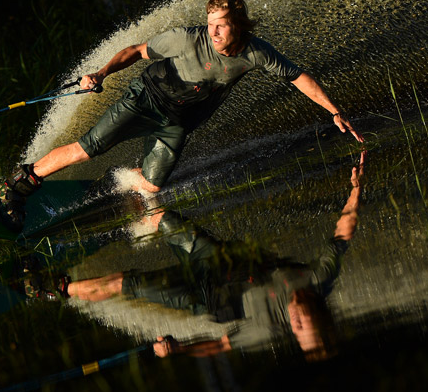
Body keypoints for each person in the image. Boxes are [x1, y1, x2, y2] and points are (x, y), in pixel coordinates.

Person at [0, 0, 364, 233]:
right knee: (87, 148)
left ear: (240, 26)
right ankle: (18, 185)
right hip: (146, 98)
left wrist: (333, 111)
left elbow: (297, 76)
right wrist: (102, 74)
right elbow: (137, 50)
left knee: (153, 186)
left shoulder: (257, 52)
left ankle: (114, 184)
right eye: (211, 24)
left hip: (178, 120)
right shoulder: (188, 38)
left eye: (221, 26)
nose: (214, 32)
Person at [56, 152, 365, 361]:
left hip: (200, 296)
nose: (296, 320)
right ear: (319, 314)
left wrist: (178, 349)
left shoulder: (266, 330)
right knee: (161, 215)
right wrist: (355, 190)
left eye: (298, 329)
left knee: (127, 283)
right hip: (215, 260)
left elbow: (220, 345)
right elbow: (342, 234)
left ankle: (57, 288)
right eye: (304, 322)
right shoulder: (318, 279)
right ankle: (114, 207)